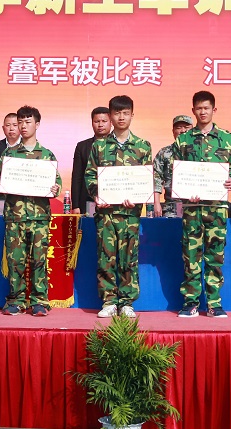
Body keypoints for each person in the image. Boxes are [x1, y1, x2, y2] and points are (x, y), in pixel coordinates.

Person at [0, 105, 63, 317]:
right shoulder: (9, 154)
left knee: (39, 259)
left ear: (37, 124)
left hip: (39, 217)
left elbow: (57, 183)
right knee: (16, 260)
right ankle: (16, 300)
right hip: (15, 216)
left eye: (27, 122)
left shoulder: (46, 154)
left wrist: (55, 189)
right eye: (20, 122)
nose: (23, 126)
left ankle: (39, 301)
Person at [85, 95, 152, 318]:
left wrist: (139, 198)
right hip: (106, 213)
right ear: (111, 116)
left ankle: (127, 302)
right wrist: (97, 194)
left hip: (130, 213)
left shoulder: (143, 146)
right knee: (106, 257)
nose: (121, 117)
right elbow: (90, 175)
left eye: (125, 113)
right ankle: (109, 301)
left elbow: (147, 179)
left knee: (129, 257)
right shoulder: (100, 146)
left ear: (132, 115)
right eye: (117, 113)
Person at [173, 91, 231, 318]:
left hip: (217, 208)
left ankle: (214, 303)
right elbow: (177, 170)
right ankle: (190, 302)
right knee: (190, 256)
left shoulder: (228, 139)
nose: (203, 112)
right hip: (192, 209)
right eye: (199, 108)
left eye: (206, 108)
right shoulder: (183, 140)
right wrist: (184, 190)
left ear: (214, 110)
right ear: (193, 111)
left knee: (215, 256)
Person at [70, 107, 111, 215]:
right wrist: (75, 205)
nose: (100, 125)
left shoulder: (118, 146)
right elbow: (77, 177)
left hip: (112, 201)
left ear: (111, 122)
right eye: (97, 121)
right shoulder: (82, 146)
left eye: (104, 121)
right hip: (87, 200)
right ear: (92, 123)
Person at [152, 114, 193, 217]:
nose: (182, 131)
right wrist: (156, 203)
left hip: (195, 207)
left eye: (186, 127)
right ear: (173, 131)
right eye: (179, 127)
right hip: (171, 208)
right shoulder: (164, 152)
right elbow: (156, 178)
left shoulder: (200, 153)